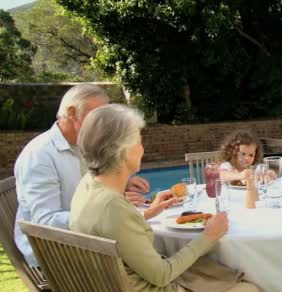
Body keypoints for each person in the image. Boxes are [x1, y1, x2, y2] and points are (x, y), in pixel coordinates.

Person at [71, 104, 261, 292]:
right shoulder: (113, 207)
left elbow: (114, 229)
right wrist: (209, 237)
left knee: (212, 277)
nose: (142, 148)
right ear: (123, 150)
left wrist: (149, 212)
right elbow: (162, 275)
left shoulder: (87, 186)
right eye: (139, 141)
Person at [13, 84, 171, 267]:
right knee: (156, 259)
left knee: (150, 250)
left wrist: (120, 183)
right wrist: (104, 209)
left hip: (90, 240)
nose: (103, 124)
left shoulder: (84, 145)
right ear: (72, 113)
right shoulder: (39, 156)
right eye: (97, 116)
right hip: (56, 255)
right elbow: (45, 222)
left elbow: (92, 185)